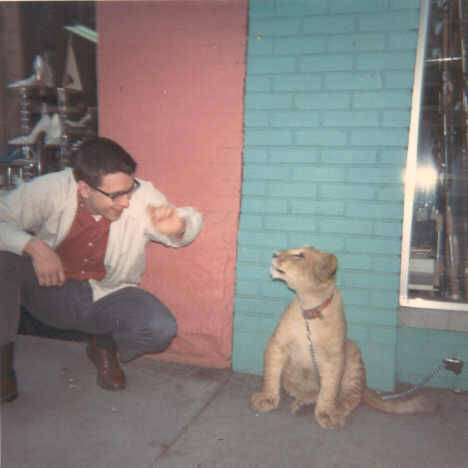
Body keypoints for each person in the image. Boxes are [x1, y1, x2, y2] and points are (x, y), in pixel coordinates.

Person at [0, 137, 203, 401]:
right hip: (50, 289)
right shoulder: (53, 188)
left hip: (108, 293)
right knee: (4, 261)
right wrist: (34, 247)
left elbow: (185, 221)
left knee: (160, 328)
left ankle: (103, 345)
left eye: (130, 189)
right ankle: (2, 369)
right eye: (116, 195)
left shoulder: (142, 196)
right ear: (84, 189)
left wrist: (178, 227)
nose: (126, 202)